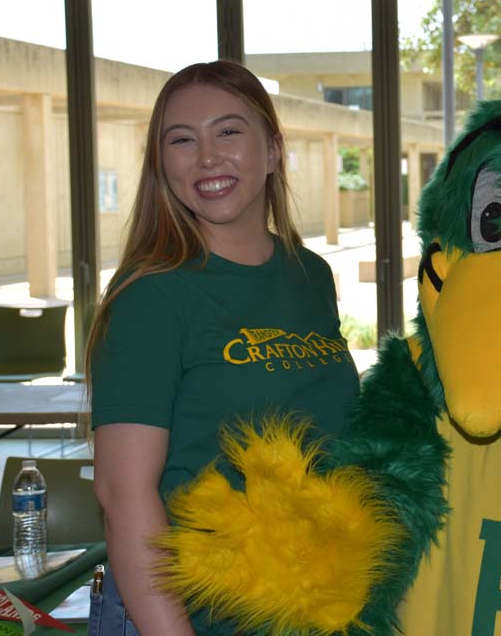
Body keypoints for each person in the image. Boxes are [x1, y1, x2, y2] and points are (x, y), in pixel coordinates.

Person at [88, 60, 360, 636]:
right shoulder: (153, 294)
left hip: (313, 604)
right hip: (199, 617)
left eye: (229, 132)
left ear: (273, 149)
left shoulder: (310, 276)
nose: (207, 157)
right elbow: (123, 492)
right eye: (181, 140)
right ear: (162, 164)